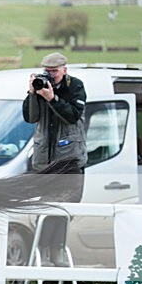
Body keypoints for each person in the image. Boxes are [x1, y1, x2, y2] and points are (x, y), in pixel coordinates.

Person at [22, 52, 88, 266]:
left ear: (65, 70)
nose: (51, 76)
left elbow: (72, 115)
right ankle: (43, 252)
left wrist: (53, 98)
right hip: (45, 162)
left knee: (64, 207)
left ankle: (55, 250)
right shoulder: (40, 87)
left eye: (55, 72)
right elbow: (30, 118)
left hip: (69, 160)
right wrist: (32, 94)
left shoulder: (75, 87)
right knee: (46, 208)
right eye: (47, 72)